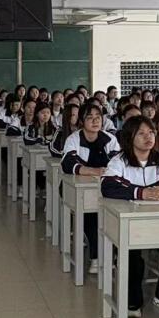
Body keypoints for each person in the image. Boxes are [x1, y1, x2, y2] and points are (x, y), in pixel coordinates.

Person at [100, 116, 159, 317]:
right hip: (130, 223)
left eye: (151, 133)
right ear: (130, 138)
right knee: (132, 257)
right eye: (141, 133)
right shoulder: (120, 161)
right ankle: (132, 301)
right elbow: (108, 186)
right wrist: (141, 193)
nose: (148, 137)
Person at [60, 102, 119, 272]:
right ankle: (96, 256)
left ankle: (112, 254)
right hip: (76, 189)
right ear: (82, 121)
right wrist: (93, 170)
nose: (95, 121)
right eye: (90, 118)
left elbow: (118, 163)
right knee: (91, 217)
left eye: (98, 117)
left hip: (104, 189)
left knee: (113, 216)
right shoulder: (74, 139)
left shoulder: (109, 139)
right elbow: (67, 163)